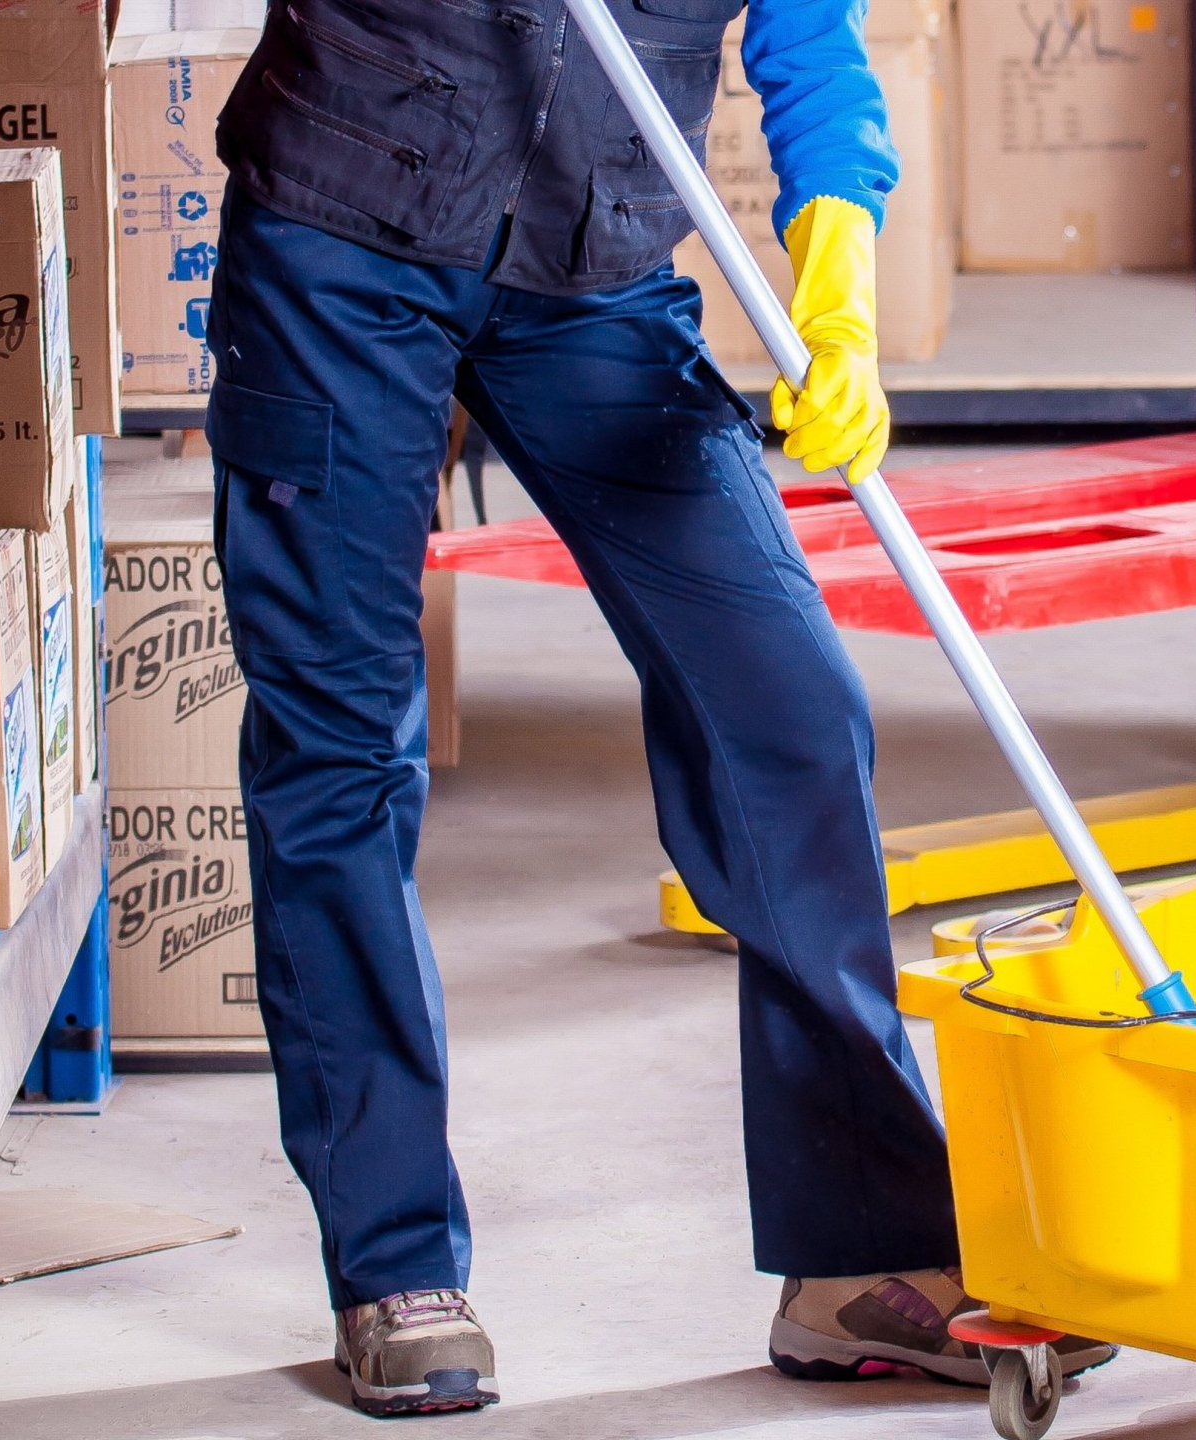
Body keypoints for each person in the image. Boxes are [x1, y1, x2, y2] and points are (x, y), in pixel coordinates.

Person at [205, 0, 1114, 1415]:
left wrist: (841, 260)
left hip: (597, 280)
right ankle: (391, 1263)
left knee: (789, 712)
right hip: (345, 240)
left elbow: (810, 44)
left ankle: (859, 1259)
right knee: (342, 751)